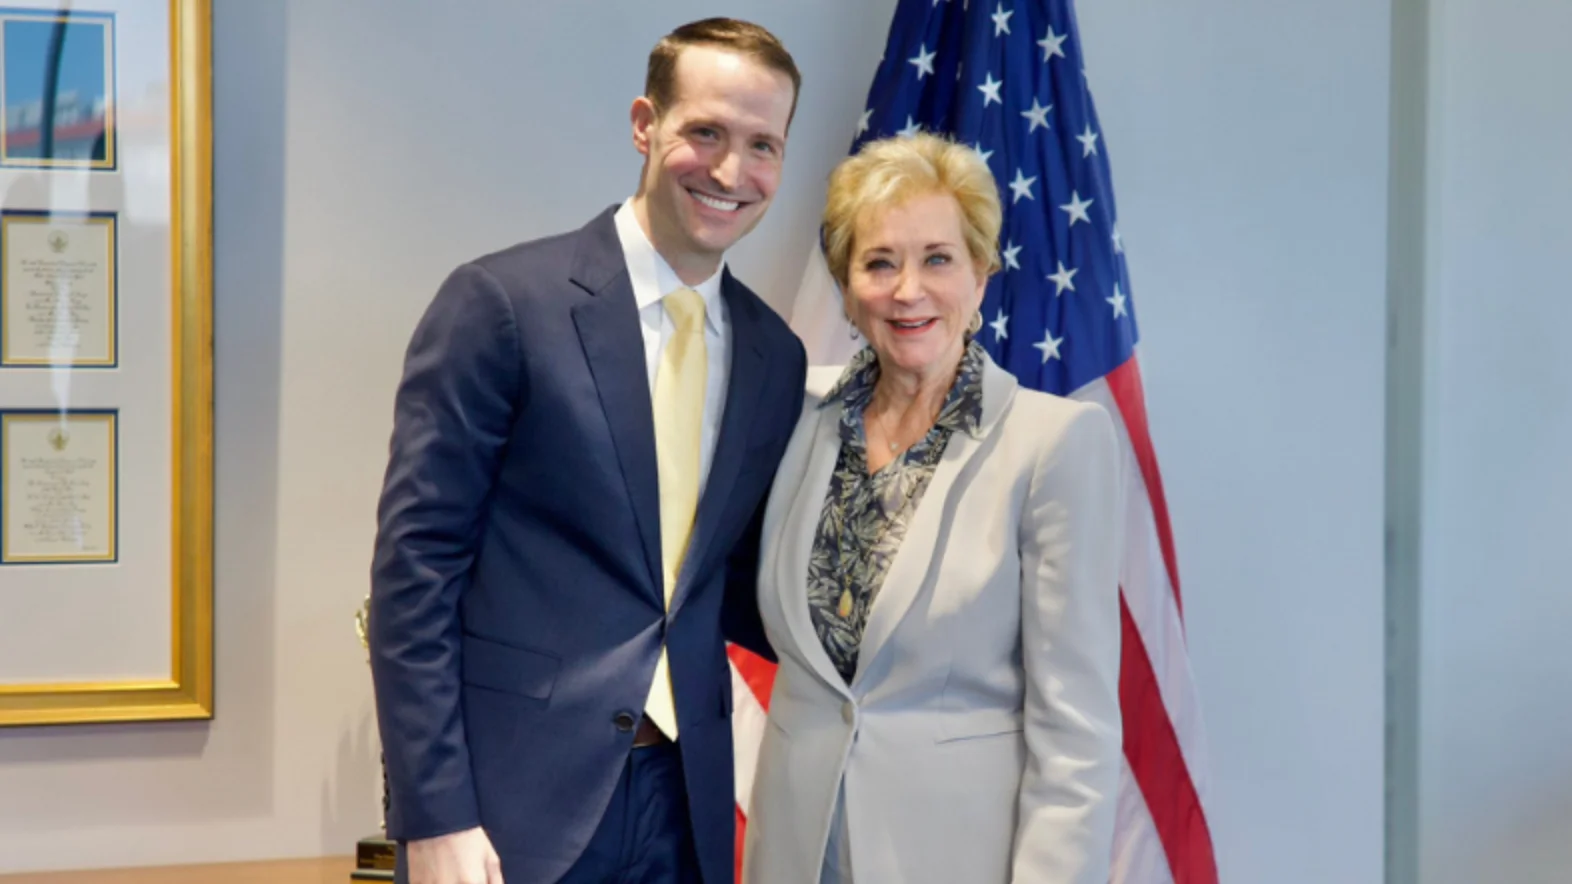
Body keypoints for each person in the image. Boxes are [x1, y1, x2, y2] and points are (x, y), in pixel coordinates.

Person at [368, 18, 806, 884]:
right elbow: (413, 577)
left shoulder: (774, 354)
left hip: (690, 806)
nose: (730, 172)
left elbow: (740, 585)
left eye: (763, 145)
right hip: (509, 809)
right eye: (706, 132)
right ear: (646, 125)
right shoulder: (500, 304)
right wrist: (435, 814)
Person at [742, 133, 1124, 884]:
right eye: (879, 262)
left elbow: (1075, 736)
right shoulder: (789, 410)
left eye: (938, 259)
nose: (907, 289)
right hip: (792, 854)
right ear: (848, 288)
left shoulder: (1055, 443)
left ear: (981, 273)